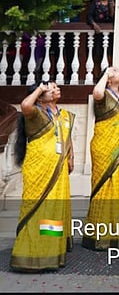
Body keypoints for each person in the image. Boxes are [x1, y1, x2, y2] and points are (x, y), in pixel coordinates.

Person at [10, 81, 75, 272]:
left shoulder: (60, 115)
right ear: (40, 96)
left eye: (55, 87)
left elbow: (66, 136)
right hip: (38, 171)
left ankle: (48, 254)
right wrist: (40, 88)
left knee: (52, 211)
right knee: (36, 210)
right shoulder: (36, 112)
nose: (55, 89)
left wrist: (71, 156)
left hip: (57, 170)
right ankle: (29, 255)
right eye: (51, 88)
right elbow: (24, 106)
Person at [82, 66, 119, 251]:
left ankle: (115, 235)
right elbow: (96, 93)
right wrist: (105, 74)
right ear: (108, 79)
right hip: (104, 148)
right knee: (103, 188)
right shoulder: (103, 95)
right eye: (114, 71)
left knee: (118, 190)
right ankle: (97, 235)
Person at [86, 0, 115, 79]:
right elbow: (89, 16)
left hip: (108, 33)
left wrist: (112, 8)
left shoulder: (111, 3)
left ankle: (106, 75)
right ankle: (97, 75)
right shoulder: (95, 3)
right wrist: (94, 24)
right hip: (97, 33)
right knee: (97, 54)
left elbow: (112, 18)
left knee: (108, 53)